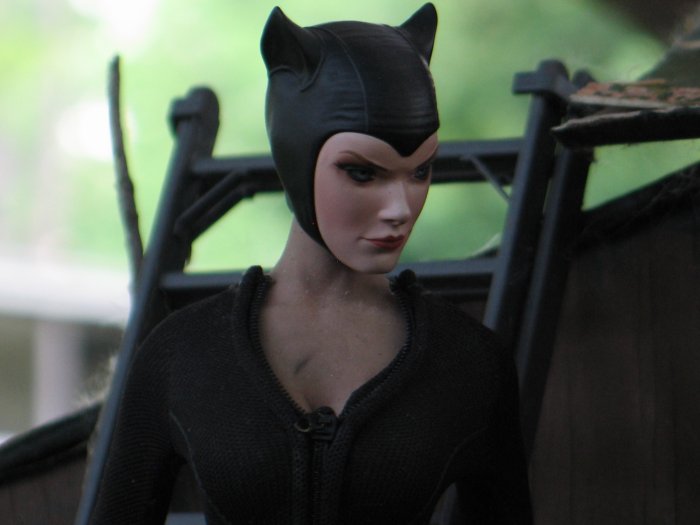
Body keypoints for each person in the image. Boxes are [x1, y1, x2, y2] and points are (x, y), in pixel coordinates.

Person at [88, 4, 533, 524]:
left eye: (420, 171)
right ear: (296, 157)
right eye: (362, 173)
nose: (400, 208)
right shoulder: (181, 354)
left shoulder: (469, 363)